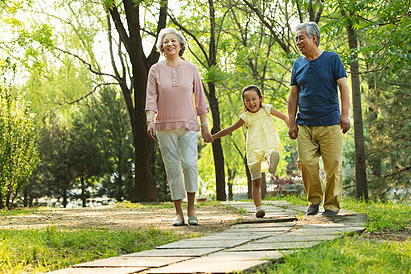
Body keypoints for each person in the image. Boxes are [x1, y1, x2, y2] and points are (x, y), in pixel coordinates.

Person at [145, 27, 213, 226]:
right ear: (161, 47)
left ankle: (191, 208)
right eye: (165, 41)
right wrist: (150, 120)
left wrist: (204, 126)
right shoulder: (155, 70)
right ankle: (178, 213)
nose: (169, 44)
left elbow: (200, 99)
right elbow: (151, 99)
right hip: (164, 126)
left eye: (173, 41)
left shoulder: (191, 68)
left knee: (190, 164)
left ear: (181, 45)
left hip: (189, 124)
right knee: (173, 168)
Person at [287, 22, 350, 217]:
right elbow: (293, 96)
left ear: (313, 38)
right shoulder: (298, 64)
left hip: (330, 123)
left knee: (332, 167)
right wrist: (291, 121)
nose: (298, 42)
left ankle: (331, 206)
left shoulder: (332, 59)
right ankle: (314, 200)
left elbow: (344, 88)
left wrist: (345, 114)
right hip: (305, 124)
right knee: (305, 163)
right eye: (296, 39)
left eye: (301, 38)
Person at [208, 85, 289, 218]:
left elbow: (285, 117)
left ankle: (271, 163)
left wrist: (292, 127)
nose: (251, 103)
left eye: (254, 99)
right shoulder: (245, 117)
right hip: (253, 149)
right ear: (244, 102)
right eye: (247, 100)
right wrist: (213, 137)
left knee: (270, 152)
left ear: (260, 98)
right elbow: (229, 129)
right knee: (256, 181)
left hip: (268, 143)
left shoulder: (267, 109)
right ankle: (259, 208)